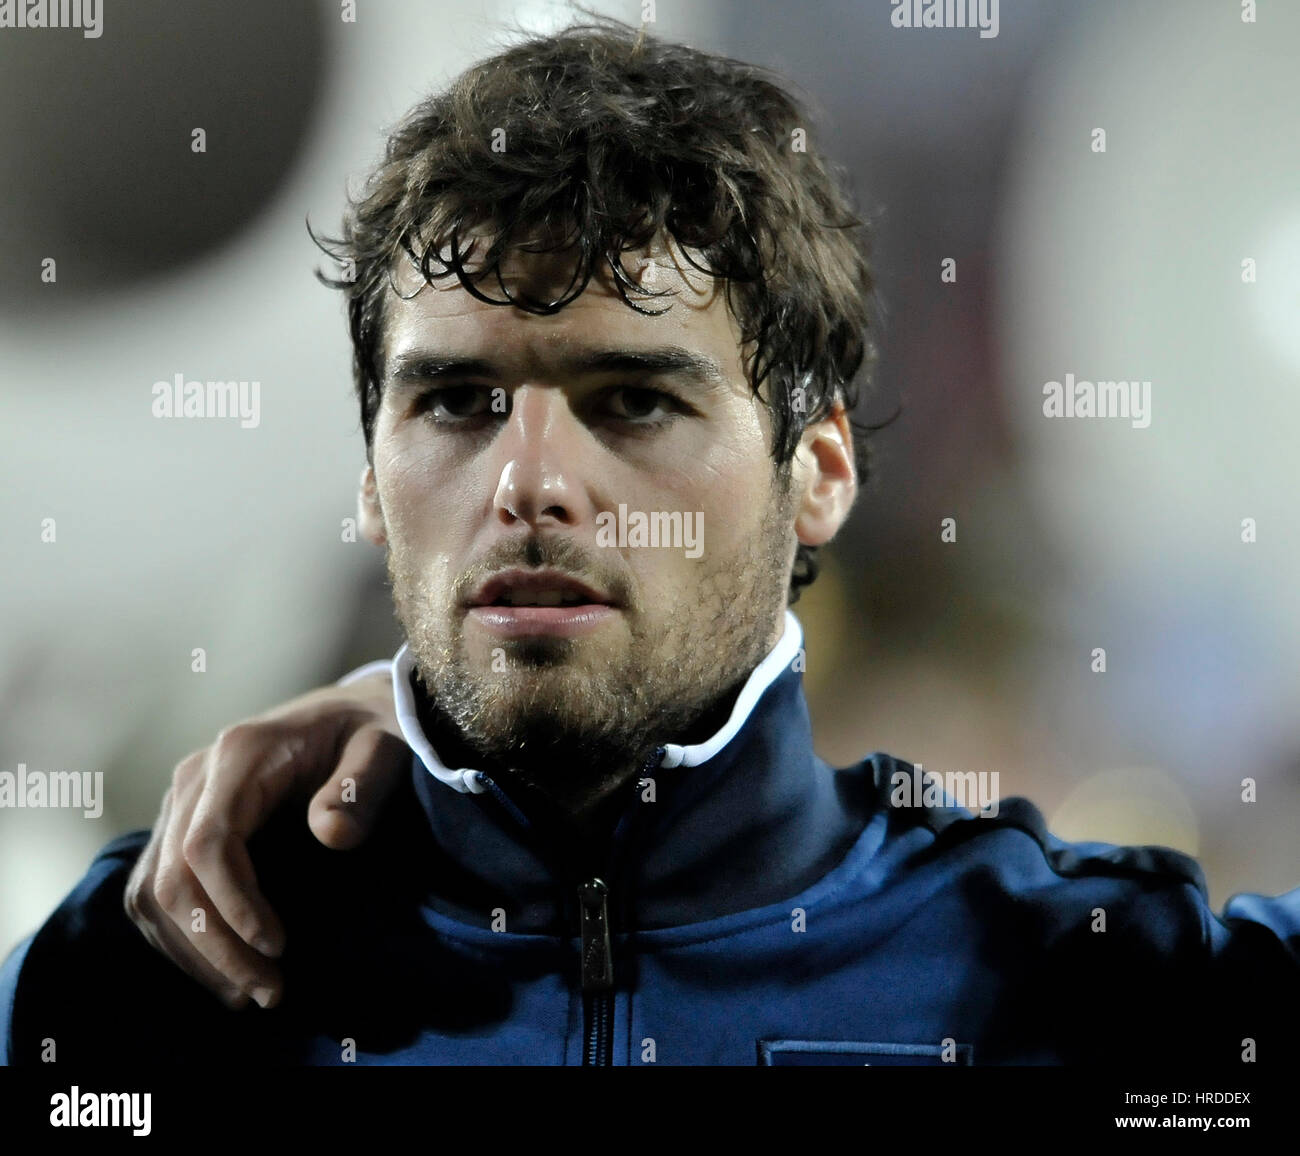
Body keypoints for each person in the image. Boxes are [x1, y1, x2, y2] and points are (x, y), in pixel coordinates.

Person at [2, 17, 1296, 1068]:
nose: (530, 483)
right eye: (456, 401)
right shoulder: (142, 977)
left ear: (821, 473)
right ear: (369, 479)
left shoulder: (1103, 989)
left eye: (635, 401)